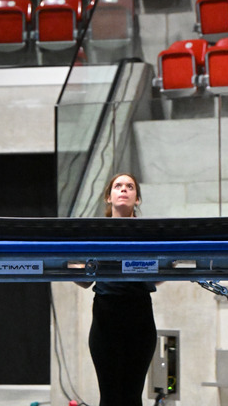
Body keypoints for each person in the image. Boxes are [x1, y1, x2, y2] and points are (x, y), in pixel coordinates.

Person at [77, 173, 158, 406]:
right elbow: (83, 281)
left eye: (130, 186)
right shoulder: (94, 233)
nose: (124, 190)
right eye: (118, 186)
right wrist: (68, 264)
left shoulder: (149, 234)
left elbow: (163, 273)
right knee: (110, 396)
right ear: (108, 197)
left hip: (140, 316)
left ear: (137, 199)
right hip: (106, 316)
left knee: (133, 396)